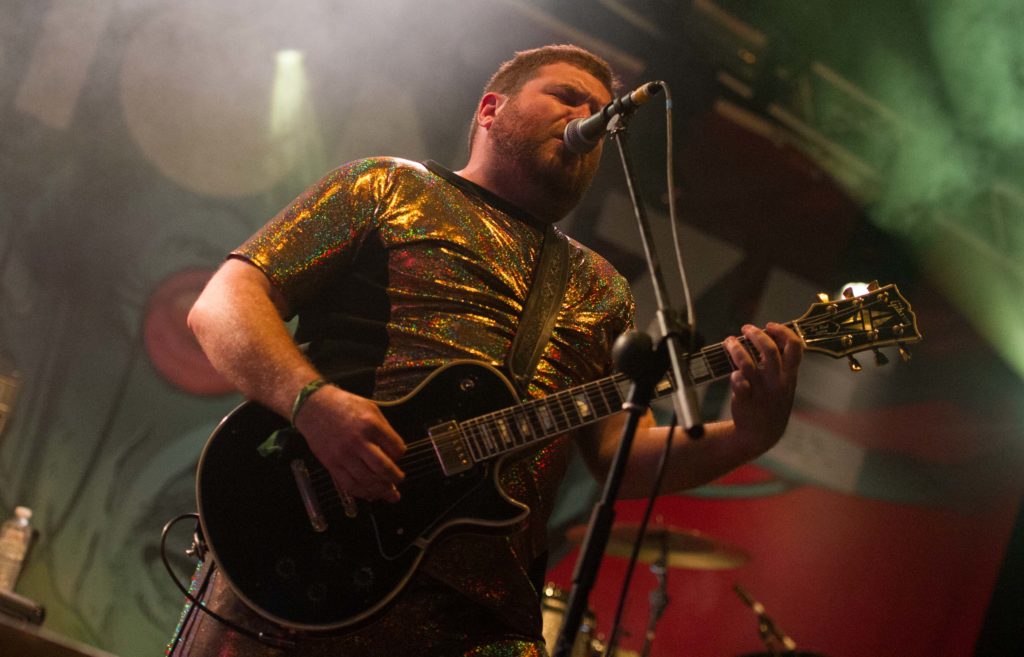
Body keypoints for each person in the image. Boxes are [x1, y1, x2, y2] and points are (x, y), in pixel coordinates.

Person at [168, 44, 803, 657]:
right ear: (490, 109)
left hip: (484, 621)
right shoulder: (388, 187)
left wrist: (748, 436)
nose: (589, 117)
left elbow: (617, 457)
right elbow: (223, 303)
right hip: (309, 563)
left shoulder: (603, 290)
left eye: (602, 114)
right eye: (567, 96)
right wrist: (312, 404)